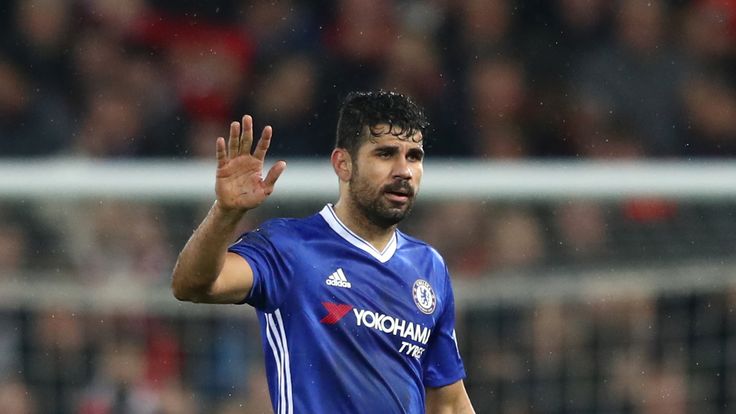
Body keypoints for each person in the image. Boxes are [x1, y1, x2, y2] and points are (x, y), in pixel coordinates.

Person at [172, 90, 475, 413]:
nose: (404, 171)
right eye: (385, 154)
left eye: (414, 156)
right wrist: (226, 213)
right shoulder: (289, 247)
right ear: (343, 164)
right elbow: (192, 284)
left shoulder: (428, 266)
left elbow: (450, 403)